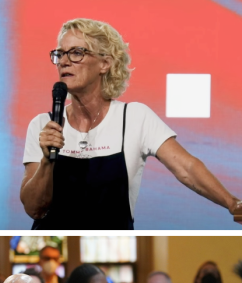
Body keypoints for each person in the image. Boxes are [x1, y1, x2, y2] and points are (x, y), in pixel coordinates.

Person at [20, 18, 242, 230]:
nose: (65, 61)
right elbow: (34, 209)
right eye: (60, 54)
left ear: (105, 63)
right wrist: (47, 161)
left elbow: (187, 168)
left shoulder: (134, 117)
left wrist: (232, 203)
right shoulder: (42, 124)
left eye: (77, 53)